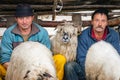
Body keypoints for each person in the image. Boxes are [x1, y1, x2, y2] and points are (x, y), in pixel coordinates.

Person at [64, 8, 120, 80]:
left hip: (107, 72)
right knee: (70, 66)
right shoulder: (84, 35)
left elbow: (116, 56)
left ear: (107, 23)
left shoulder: (113, 35)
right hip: (88, 71)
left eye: (103, 21)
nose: (100, 24)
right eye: (97, 20)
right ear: (92, 22)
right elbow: (81, 59)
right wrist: (93, 73)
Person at [0, 4, 51, 70]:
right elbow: (5, 57)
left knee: (59, 60)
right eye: (21, 18)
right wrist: (19, 71)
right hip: (15, 66)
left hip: (37, 66)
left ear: (32, 18)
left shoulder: (42, 32)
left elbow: (46, 54)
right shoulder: (9, 33)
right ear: (16, 19)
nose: (24, 22)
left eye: (27, 18)